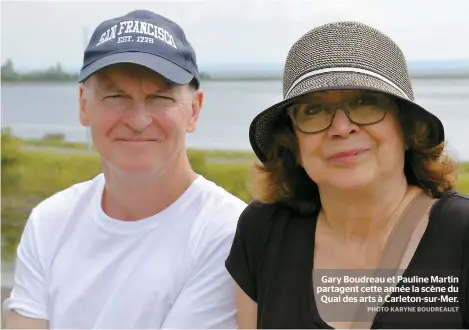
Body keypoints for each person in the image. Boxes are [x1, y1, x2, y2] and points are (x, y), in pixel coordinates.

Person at [4, 9, 247, 329]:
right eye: (116, 96)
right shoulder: (49, 222)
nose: (137, 120)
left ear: (194, 110)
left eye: (160, 97)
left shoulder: (230, 234)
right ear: (83, 105)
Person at [225, 21, 469, 329]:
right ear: (294, 144)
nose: (342, 128)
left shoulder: (460, 235)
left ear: (408, 129)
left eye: (366, 103)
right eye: (313, 110)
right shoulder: (263, 231)